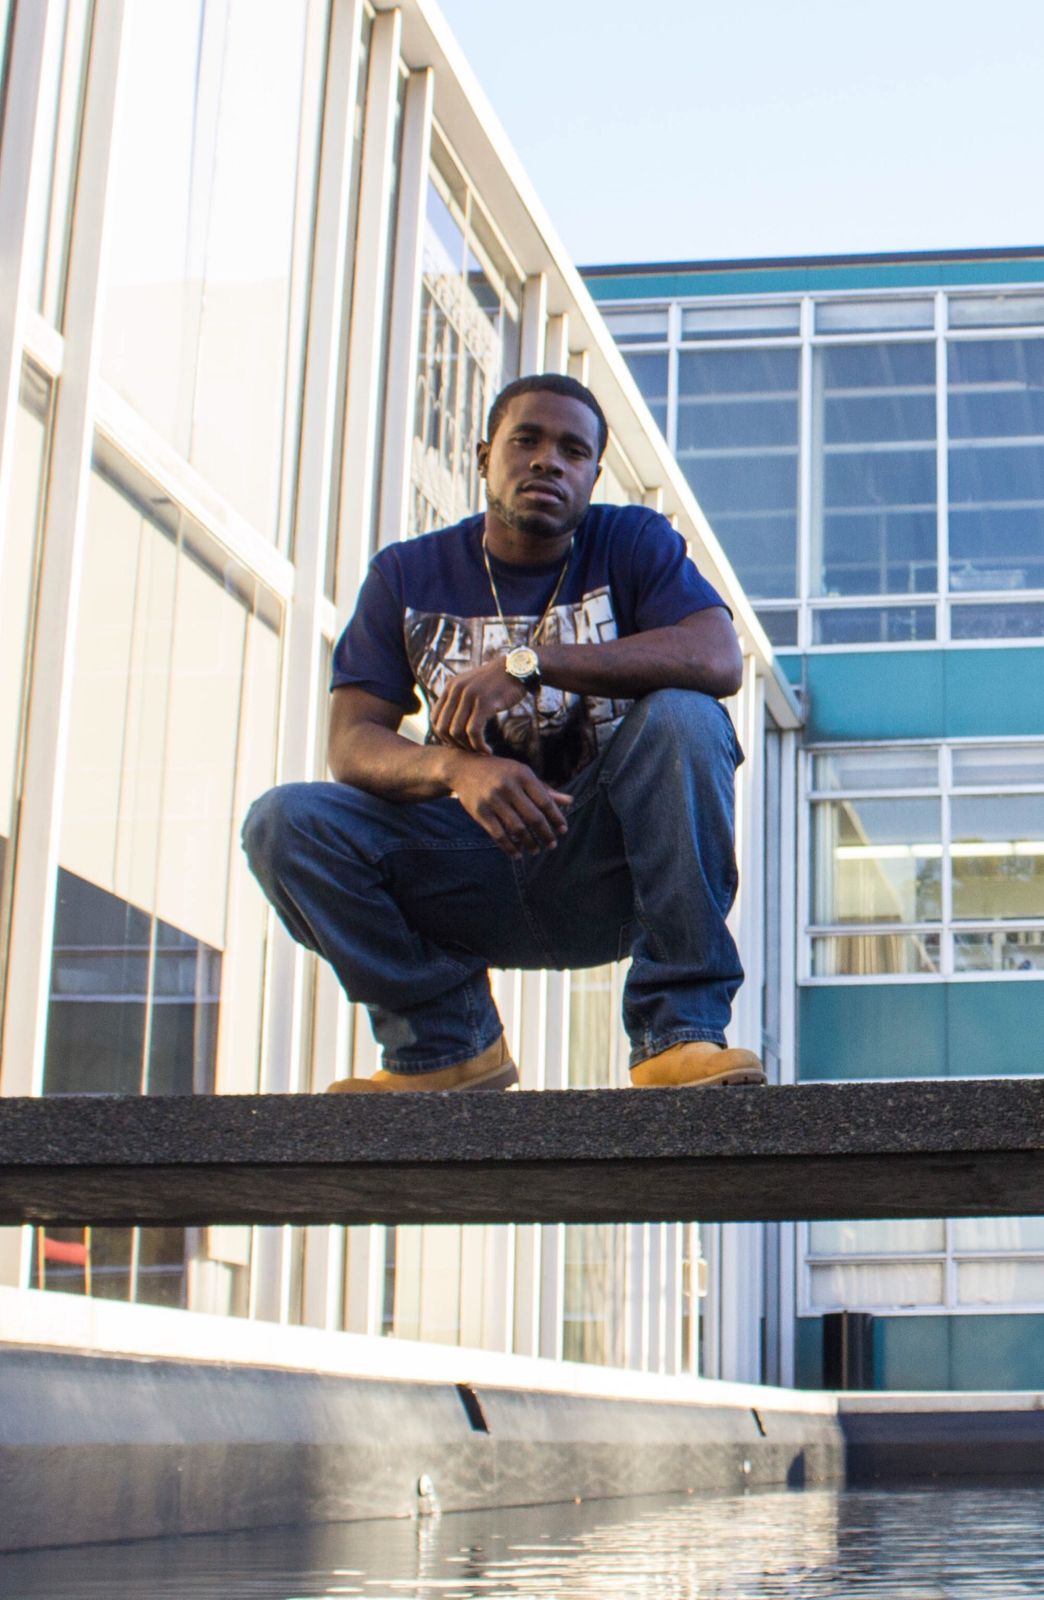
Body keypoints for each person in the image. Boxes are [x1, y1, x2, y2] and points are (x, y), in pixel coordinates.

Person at [242, 373, 765, 1093]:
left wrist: (530, 663)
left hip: (607, 863)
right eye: (527, 440)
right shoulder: (406, 575)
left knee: (687, 716)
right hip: (465, 862)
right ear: (484, 456)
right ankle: (447, 1048)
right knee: (284, 824)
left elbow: (716, 657)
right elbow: (352, 743)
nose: (548, 460)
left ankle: (678, 1034)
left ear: (593, 477)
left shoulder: (631, 541)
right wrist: (457, 770)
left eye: (573, 451)